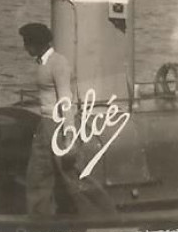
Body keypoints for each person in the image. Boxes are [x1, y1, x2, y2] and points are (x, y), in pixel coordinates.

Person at [18, 21, 117, 217]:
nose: (24, 47)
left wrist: (69, 135)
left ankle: (107, 215)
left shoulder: (58, 63)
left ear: (36, 43)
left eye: (27, 43)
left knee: (73, 175)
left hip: (59, 125)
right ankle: (41, 222)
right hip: (45, 125)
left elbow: (65, 100)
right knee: (37, 176)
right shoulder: (43, 63)